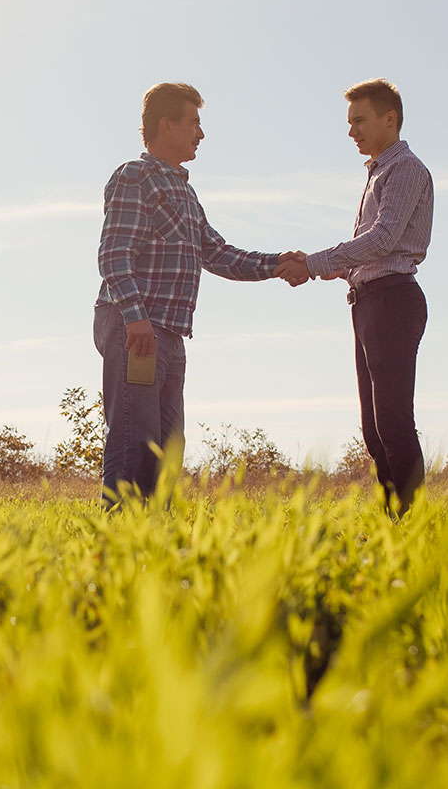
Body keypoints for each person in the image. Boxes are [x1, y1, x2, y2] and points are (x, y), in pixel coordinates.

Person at [93, 82, 301, 506]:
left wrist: (278, 263)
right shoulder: (136, 176)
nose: (200, 135)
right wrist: (136, 318)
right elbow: (114, 254)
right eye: (194, 123)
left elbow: (218, 253)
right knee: (135, 441)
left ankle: (157, 545)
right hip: (137, 330)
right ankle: (117, 549)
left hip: (168, 334)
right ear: (166, 125)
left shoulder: (185, 192)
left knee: (168, 447)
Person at [277, 78, 433, 515]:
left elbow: (384, 239)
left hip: (393, 301)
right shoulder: (378, 171)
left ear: (390, 118)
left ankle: (413, 521)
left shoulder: (404, 169)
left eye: (359, 121)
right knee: (373, 428)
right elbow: (375, 246)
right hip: (367, 300)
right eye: (350, 123)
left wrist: (315, 263)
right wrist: (340, 268)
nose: (352, 132)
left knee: (393, 423)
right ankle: (393, 518)